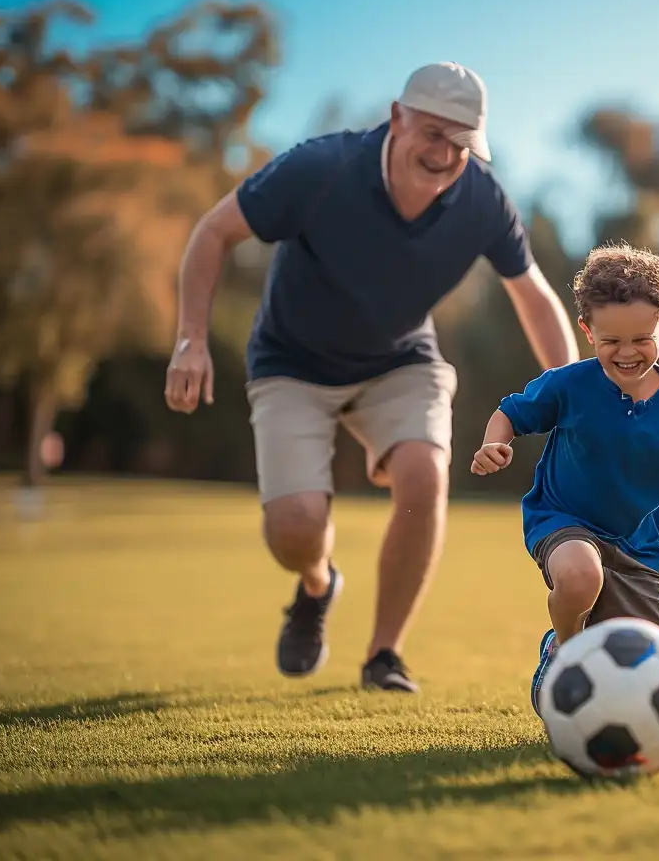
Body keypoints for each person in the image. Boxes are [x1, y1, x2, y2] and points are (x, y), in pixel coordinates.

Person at [162, 64, 575, 694]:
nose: (443, 155)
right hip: (291, 362)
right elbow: (213, 232)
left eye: (461, 144)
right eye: (432, 133)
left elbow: (535, 297)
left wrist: (574, 394)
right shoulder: (320, 169)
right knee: (295, 528)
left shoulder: (482, 201)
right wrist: (192, 339)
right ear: (397, 115)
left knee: (423, 474)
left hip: (399, 363)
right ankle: (317, 583)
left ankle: (385, 655)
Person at [471, 244, 659, 706]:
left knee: (647, 674)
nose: (627, 352)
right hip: (562, 519)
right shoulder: (570, 384)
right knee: (579, 575)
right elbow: (510, 412)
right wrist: (496, 443)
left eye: (641, 339)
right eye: (611, 340)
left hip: (637, 548)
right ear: (587, 330)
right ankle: (564, 649)